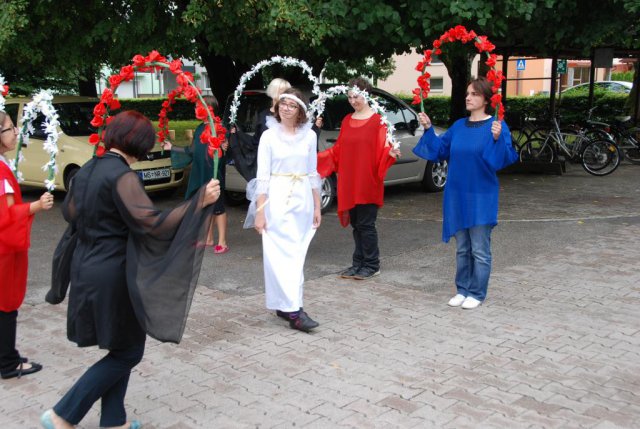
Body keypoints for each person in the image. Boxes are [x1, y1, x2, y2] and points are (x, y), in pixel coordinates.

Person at [41, 111, 221, 429]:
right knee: (129, 352)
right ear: (139, 142)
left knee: (122, 345)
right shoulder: (122, 176)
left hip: (86, 267)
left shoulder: (88, 169)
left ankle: (114, 420)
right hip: (114, 273)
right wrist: (198, 202)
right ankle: (63, 414)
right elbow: (151, 223)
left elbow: (70, 213)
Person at [413, 77, 518, 310]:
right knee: (462, 248)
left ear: (486, 99)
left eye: (474, 94)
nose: (468, 97)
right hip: (457, 194)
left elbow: (503, 159)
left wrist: (497, 138)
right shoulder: (459, 126)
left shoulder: (496, 126)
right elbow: (440, 150)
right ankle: (462, 289)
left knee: (479, 249)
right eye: (468, 93)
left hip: (481, 195)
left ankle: (477, 292)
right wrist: (428, 128)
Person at [248, 88, 322, 332]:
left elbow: (312, 171)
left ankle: (284, 305)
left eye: (292, 105)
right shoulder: (269, 136)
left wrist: (317, 205)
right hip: (277, 200)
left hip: (303, 200)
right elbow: (263, 177)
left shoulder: (309, 136)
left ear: (300, 110)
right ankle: (295, 311)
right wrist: (260, 212)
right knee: (279, 256)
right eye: (283, 103)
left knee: (296, 254)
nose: (286, 108)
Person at [317, 76, 400, 281]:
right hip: (349, 180)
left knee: (366, 224)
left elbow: (384, 147)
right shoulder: (347, 120)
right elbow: (339, 149)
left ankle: (372, 264)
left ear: (367, 96)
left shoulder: (378, 121)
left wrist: (390, 153)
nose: (353, 101)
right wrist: (316, 159)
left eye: (357, 97)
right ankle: (358, 262)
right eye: (350, 97)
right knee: (356, 223)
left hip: (367, 180)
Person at [0, 110, 54, 380]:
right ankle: (8, 362)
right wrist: (37, 205)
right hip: (4, 250)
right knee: (6, 303)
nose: (16, 132)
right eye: (10, 128)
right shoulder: (0, 170)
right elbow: (6, 215)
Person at [163, 96, 230, 254]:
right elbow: (192, 150)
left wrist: (225, 144)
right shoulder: (200, 128)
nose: (195, 110)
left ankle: (222, 242)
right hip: (201, 172)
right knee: (206, 205)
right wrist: (172, 147)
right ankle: (208, 238)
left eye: (197, 107)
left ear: (208, 109)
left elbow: (225, 148)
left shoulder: (219, 127)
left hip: (214, 173)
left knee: (218, 207)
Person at [229, 78, 323, 181]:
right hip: (271, 165)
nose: (286, 94)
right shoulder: (264, 116)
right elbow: (256, 141)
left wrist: (315, 128)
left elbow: (303, 138)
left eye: (287, 91)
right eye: (282, 91)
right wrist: (238, 134)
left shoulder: (293, 115)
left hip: (291, 164)